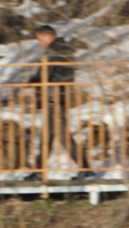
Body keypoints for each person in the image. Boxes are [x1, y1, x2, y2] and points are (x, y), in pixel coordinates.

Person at [21, 25, 97, 181]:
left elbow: (50, 75)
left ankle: (84, 169)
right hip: (54, 97)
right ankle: (40, 171)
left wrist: (33, 81)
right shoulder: (59, 50)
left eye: (40, 39)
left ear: (48, 36)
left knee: (61, 137)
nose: (40, 42)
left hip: (55, 97)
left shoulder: (57, 51)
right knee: (48, 136)